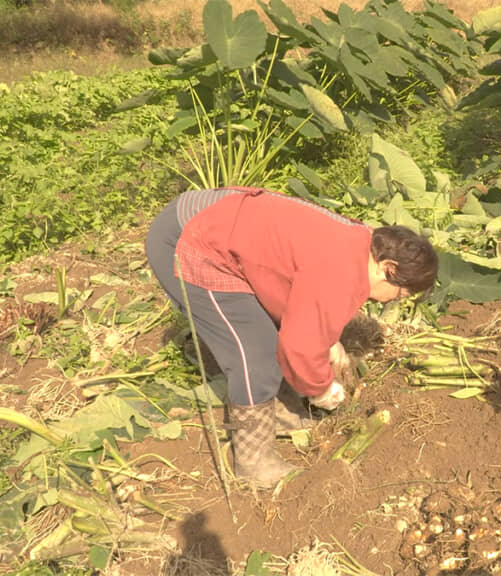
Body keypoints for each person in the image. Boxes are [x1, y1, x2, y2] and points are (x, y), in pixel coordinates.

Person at [145, 186, 438, 488]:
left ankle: (274, 407)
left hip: (215, 221)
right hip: (190, 240)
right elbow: (299, 346)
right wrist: (322, 390)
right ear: (388, 268)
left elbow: (297, 288)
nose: (390, 302)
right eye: (400, 294)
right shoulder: (340, 270)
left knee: (267, 335)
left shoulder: (360, 243)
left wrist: (326, 339)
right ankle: (252, 460)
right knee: (255, 355)